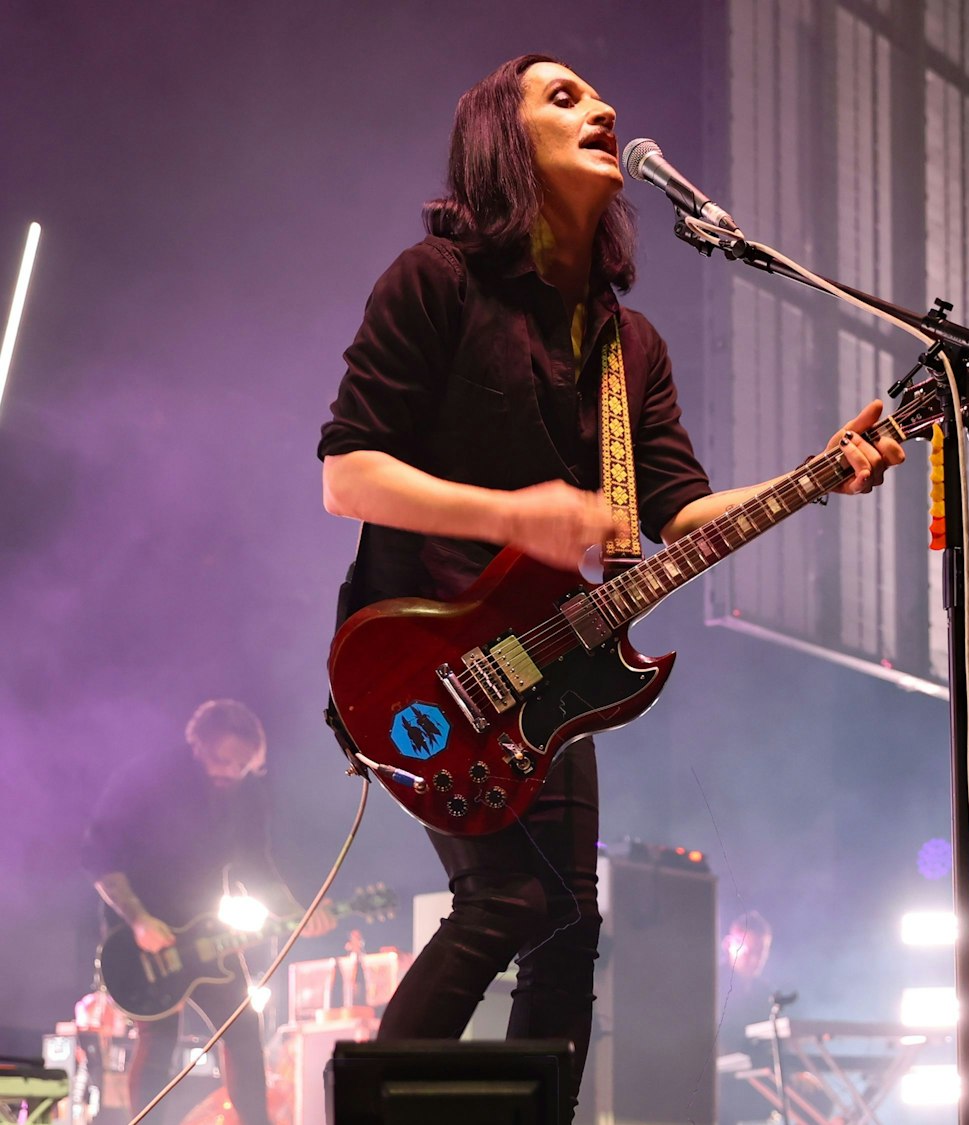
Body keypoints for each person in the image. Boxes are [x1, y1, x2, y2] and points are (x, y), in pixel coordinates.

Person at [316, 54, 903, 1122]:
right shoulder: (434, 281)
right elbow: (347, 474)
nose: (604, 107)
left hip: (550, 666)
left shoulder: (628, 345)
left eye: (596, 95)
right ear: (505, 141)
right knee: (500, 900)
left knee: (567, 930)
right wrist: (515, 514)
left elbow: (677, 513)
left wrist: (817, 474)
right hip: (419, 658)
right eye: (564, 97)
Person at [81, 699, 334, 1125]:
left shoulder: (247, 794)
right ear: (196, 744)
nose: (229, 771)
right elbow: (100, 857)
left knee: (243, 1029)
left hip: (205, 928)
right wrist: (140, 921)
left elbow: (256, 865)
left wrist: (296, 912)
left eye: (242, 765)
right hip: (141, 930)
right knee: (159, 1038)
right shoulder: (145, 778)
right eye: (221, 759)